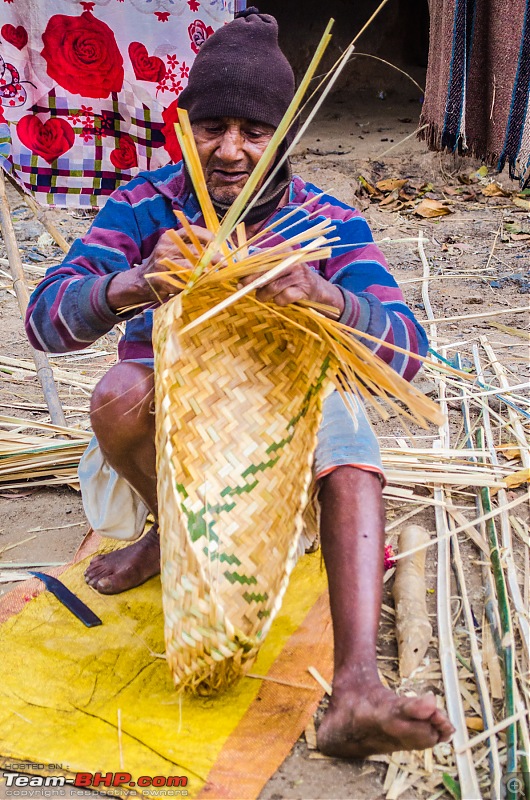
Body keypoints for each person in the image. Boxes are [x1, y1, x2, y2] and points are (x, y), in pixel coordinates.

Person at [26, 9, 454, 759]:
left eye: (254, 131)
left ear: (284, 136)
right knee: (118, 394)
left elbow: (410, 357)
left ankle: (357, 685)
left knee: (351, 441)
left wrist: (330, 299)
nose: (229, 150)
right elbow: (43, 323)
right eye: (211, 125)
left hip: (288, 420)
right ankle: (171, 531)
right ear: (183, 126)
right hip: (174, 419)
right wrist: (131, 283)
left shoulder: (327, 222)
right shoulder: (144, 206)